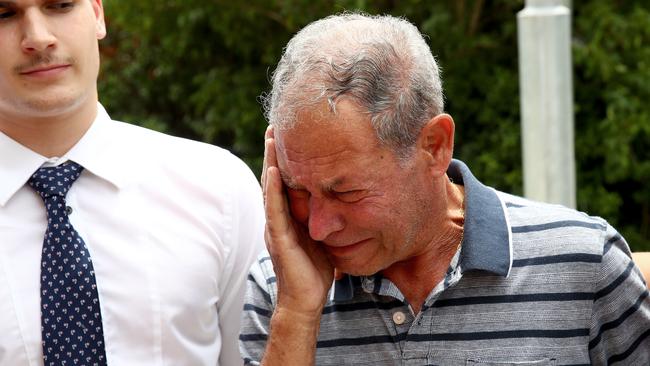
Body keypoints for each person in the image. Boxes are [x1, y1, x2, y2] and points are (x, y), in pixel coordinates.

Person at [239, 13, 650, 365]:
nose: (317, 228)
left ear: (434, 146)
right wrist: (296, 315)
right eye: (298, 191)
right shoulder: (279, 289)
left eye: (346, 192)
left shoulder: (582, 261)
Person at [0, 0, 264, 364]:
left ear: (97, 13)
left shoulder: (220, 188)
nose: (38, 38)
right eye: (4, 14)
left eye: (60, 5)